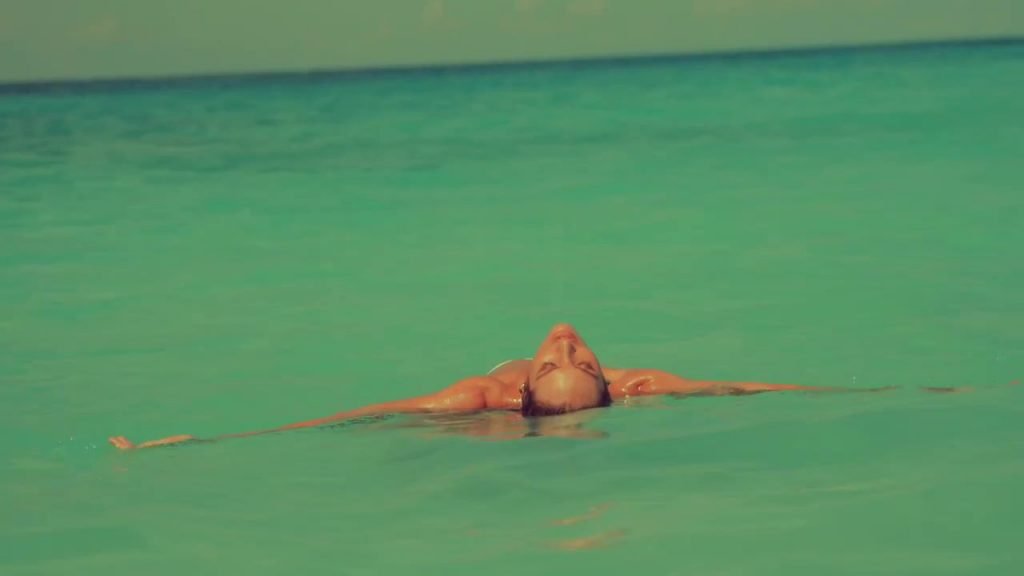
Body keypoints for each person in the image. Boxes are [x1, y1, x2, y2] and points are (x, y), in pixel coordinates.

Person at [108, 322, 892, 450]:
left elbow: (360, 416)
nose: (565, 342)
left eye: (562, 359)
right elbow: (735, 389)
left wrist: (209, 441)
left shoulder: (481, 397)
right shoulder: (638, 386)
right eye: (574, 358)